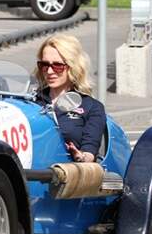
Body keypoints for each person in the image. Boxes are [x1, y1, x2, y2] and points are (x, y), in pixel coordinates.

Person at [33, 34, 106, 163]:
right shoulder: (31, 101)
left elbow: (90, 149)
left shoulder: (91, 106)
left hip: (70, 174)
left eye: (58, 66)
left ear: (73, 67)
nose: (49, 71)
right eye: (44, 65)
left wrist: (81, 157)